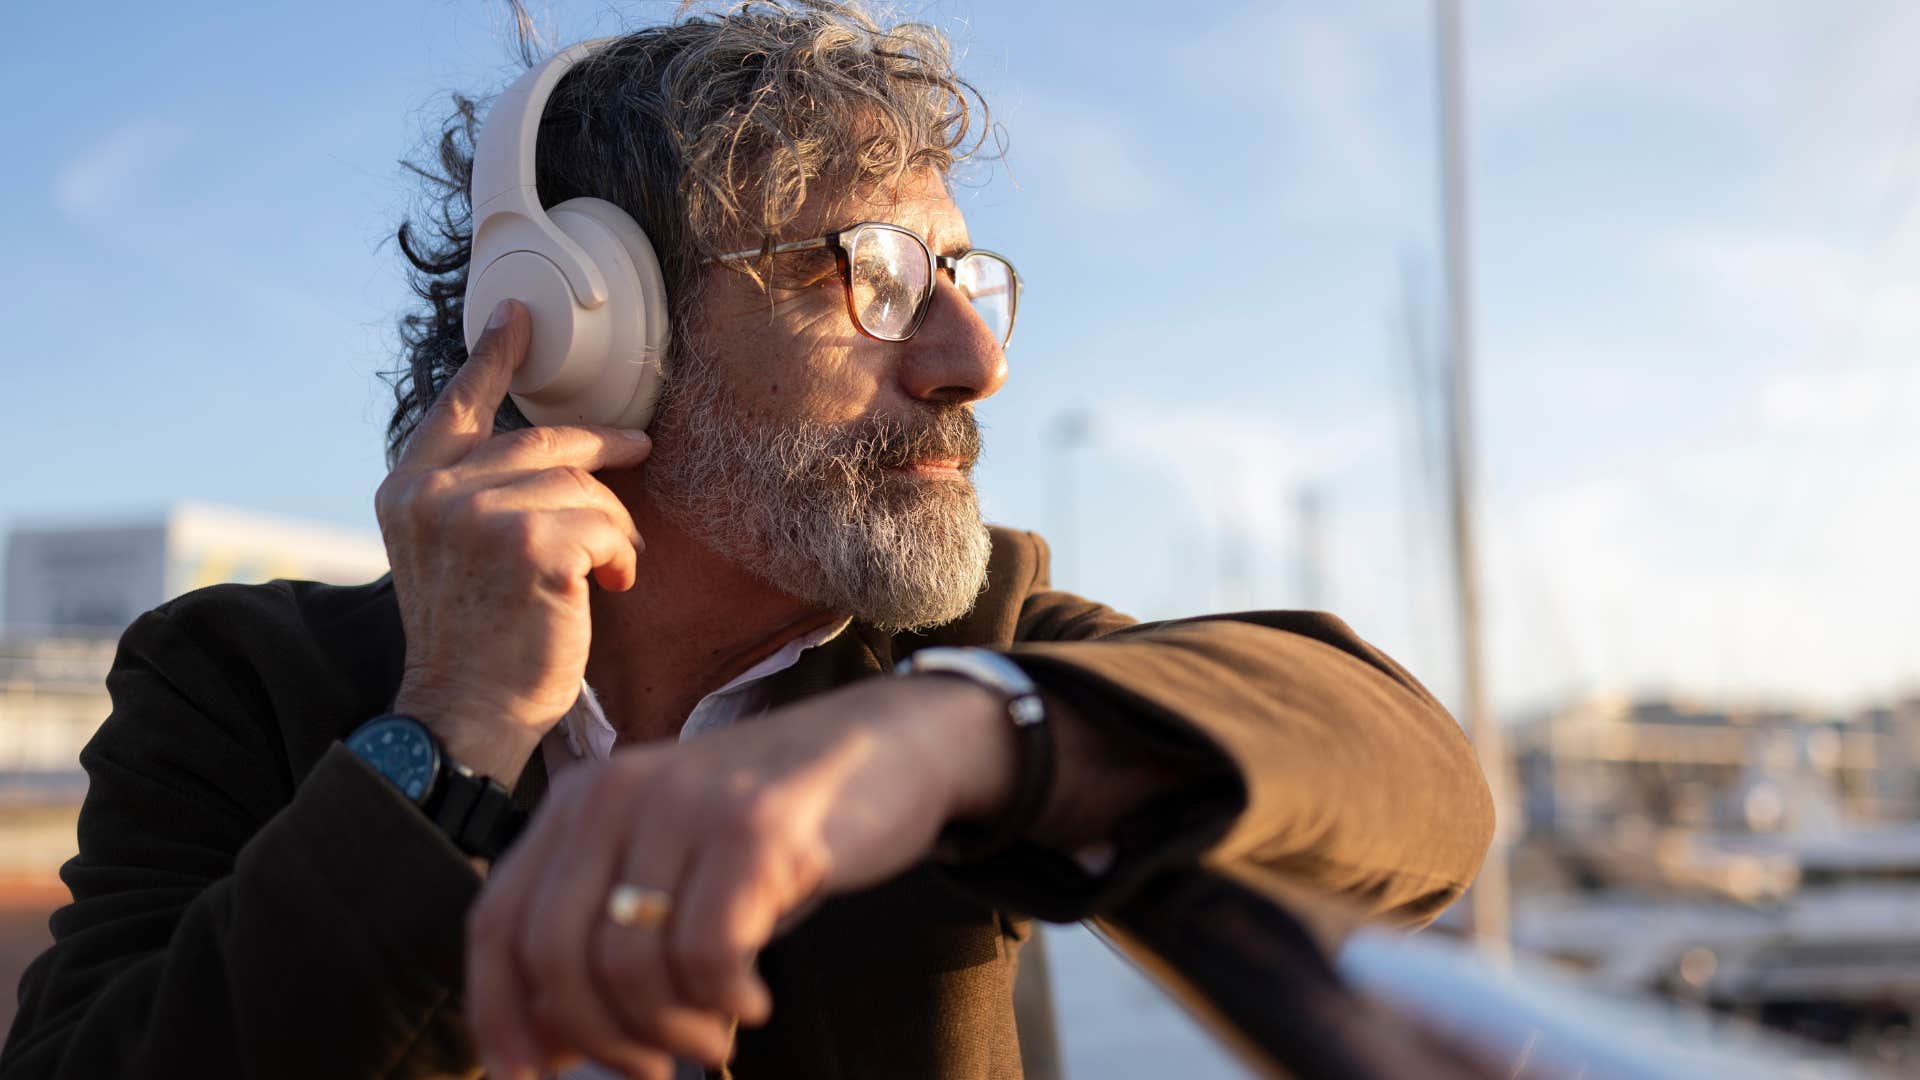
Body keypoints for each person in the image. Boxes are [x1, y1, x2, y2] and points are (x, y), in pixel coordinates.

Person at [0, 3, 1493, 1078]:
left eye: (970, 276)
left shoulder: (966, 643)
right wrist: (445, 740)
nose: (976, 356)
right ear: (593, 330)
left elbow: (1420, 793)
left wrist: (953, 744)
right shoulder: (236, 679)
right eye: (881, 277)